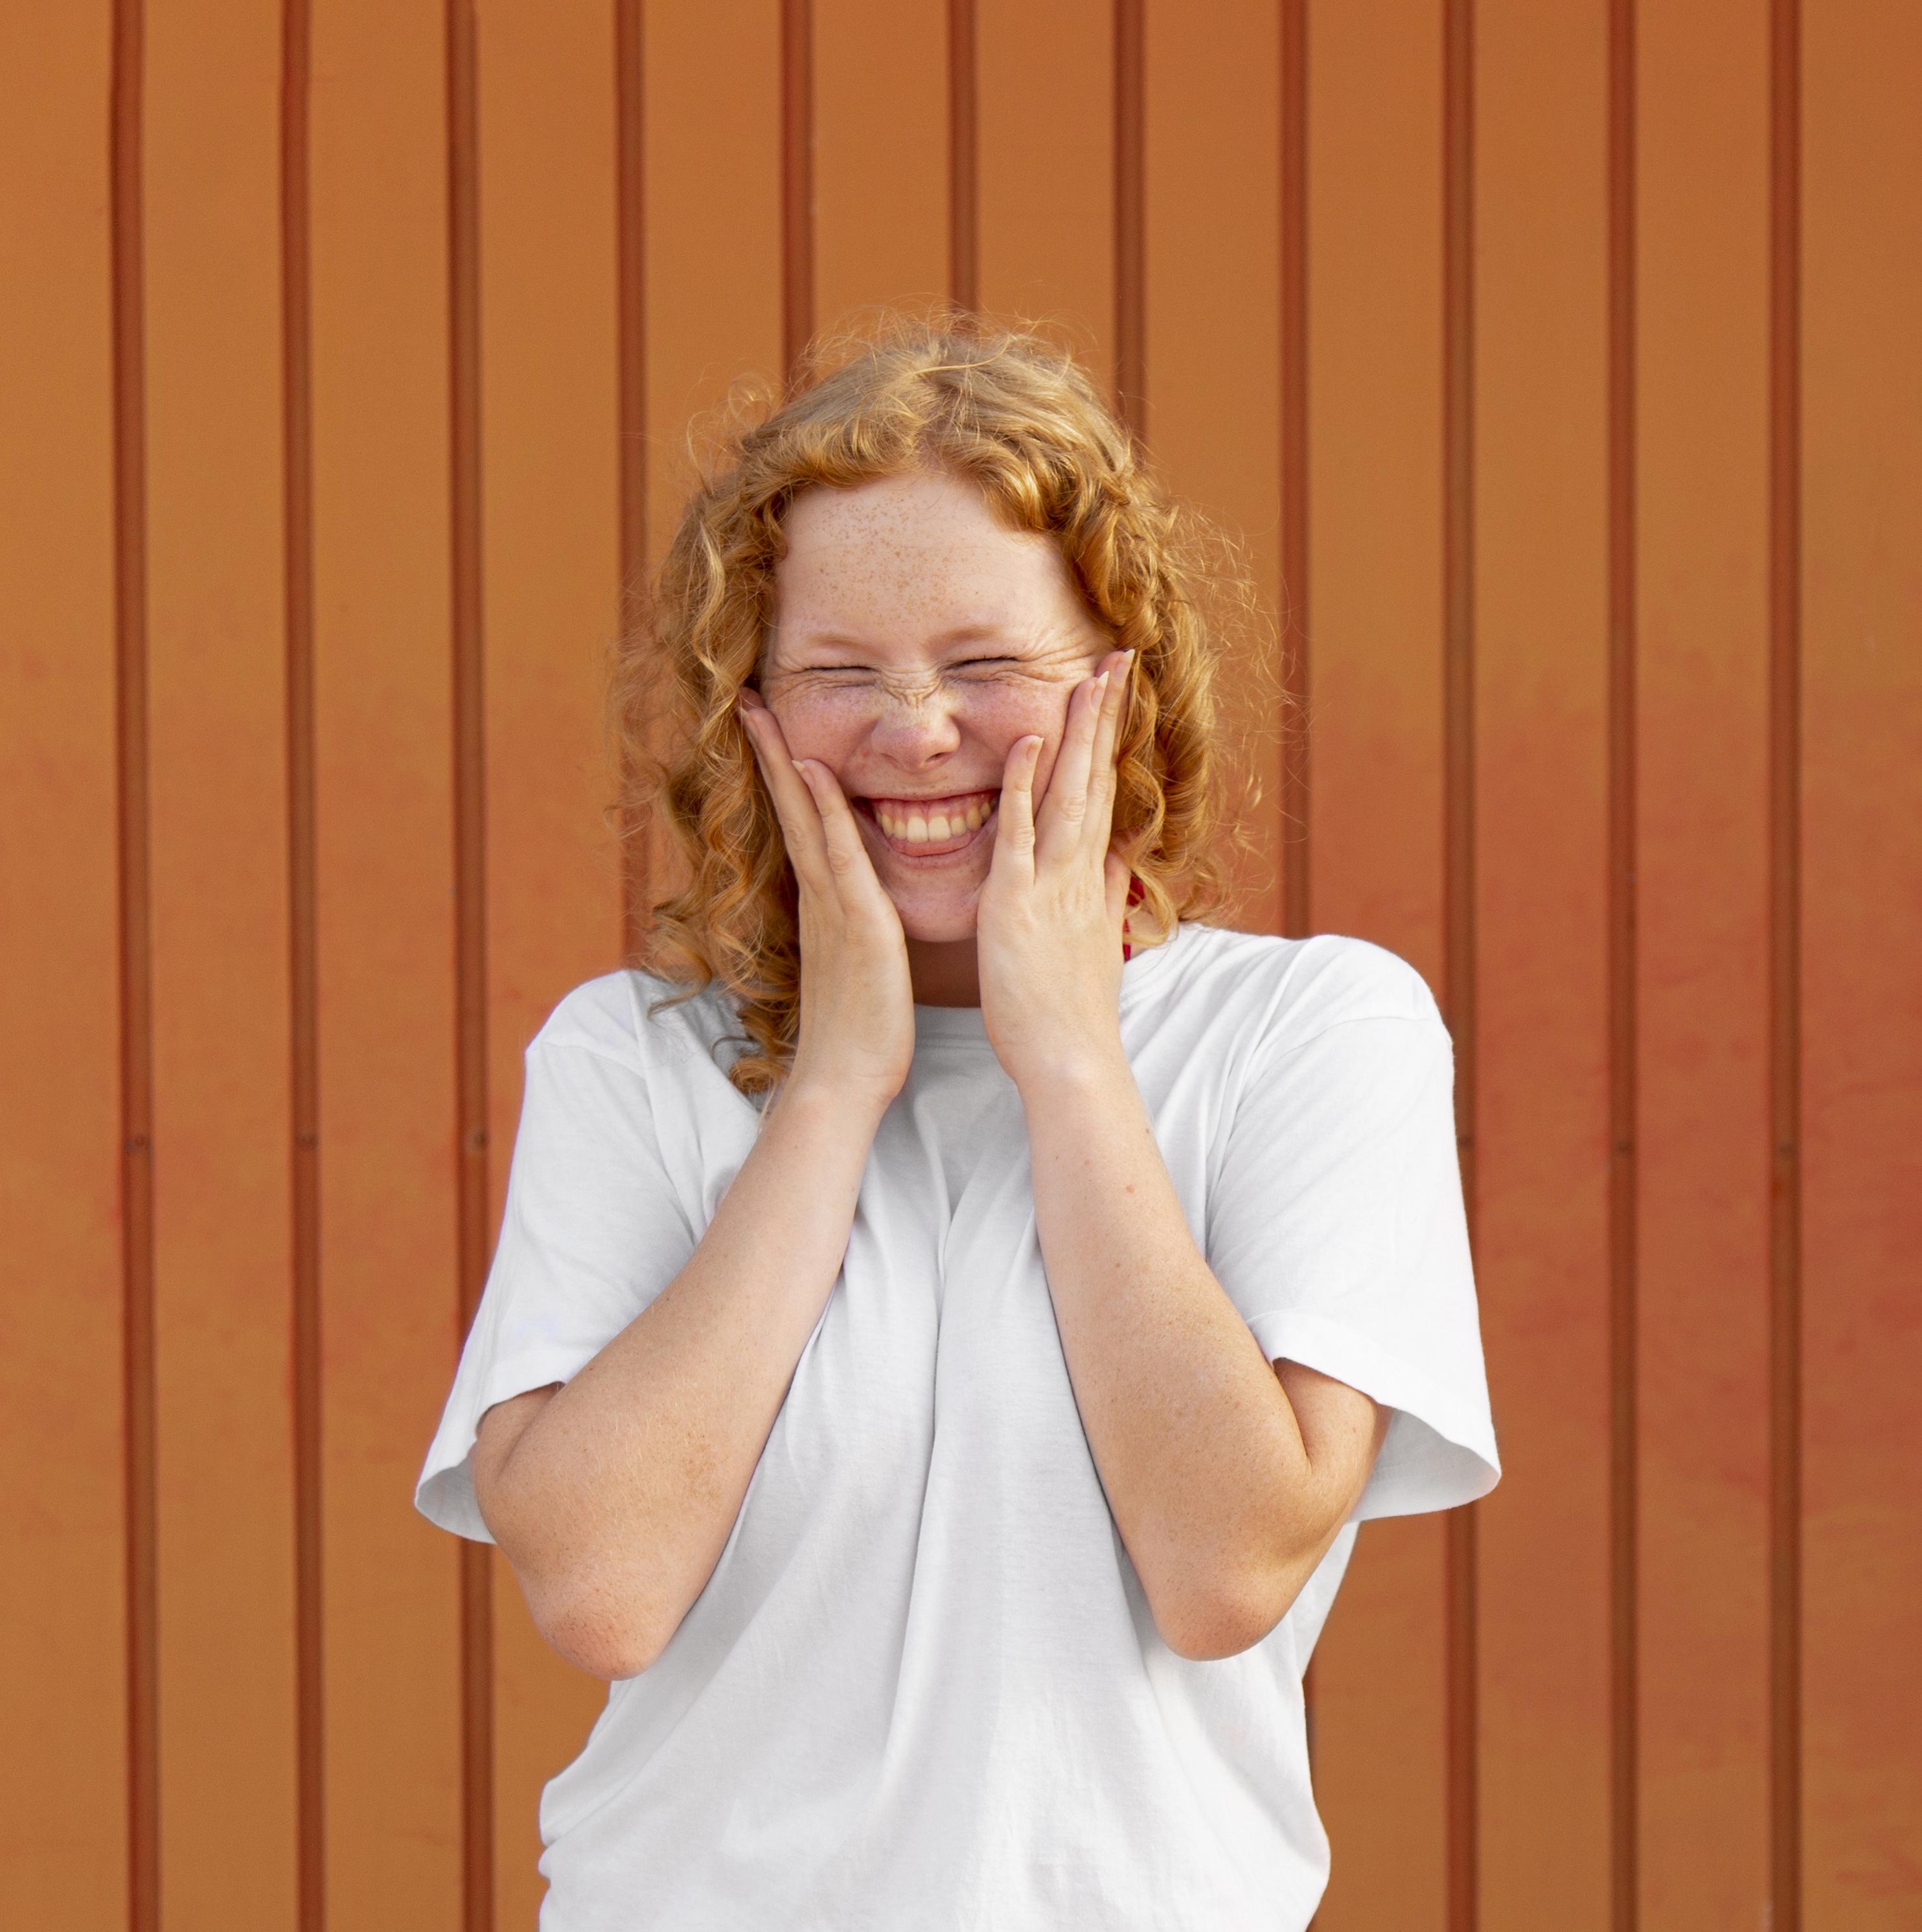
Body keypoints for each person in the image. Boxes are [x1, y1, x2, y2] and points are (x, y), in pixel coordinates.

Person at [415, 315, 1500, 1931]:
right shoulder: (634, 1062)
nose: (916, 732)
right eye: (838, 674)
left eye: (989, 668)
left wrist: (1063, 1053)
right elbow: (601, 1588)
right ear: (750, 713)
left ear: (1120, 683)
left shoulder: (1310, 1035)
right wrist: (836, 1080)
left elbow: (1223, 1571)